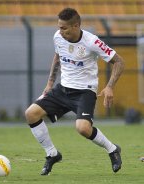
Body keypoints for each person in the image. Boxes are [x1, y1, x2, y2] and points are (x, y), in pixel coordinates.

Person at [25, 8, 125, 175]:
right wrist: (50, 83)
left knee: (83, 128)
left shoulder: (92, 41)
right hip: (62, 89)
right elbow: (57, 56)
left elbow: (119, 62)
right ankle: (52, 154)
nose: (60, 31)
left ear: (76, 25)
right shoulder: (57, 37)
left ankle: (113, 149)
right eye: (59, 27)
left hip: (85, 92)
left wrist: (109, 86)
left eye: (64, 28)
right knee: (31, 114)